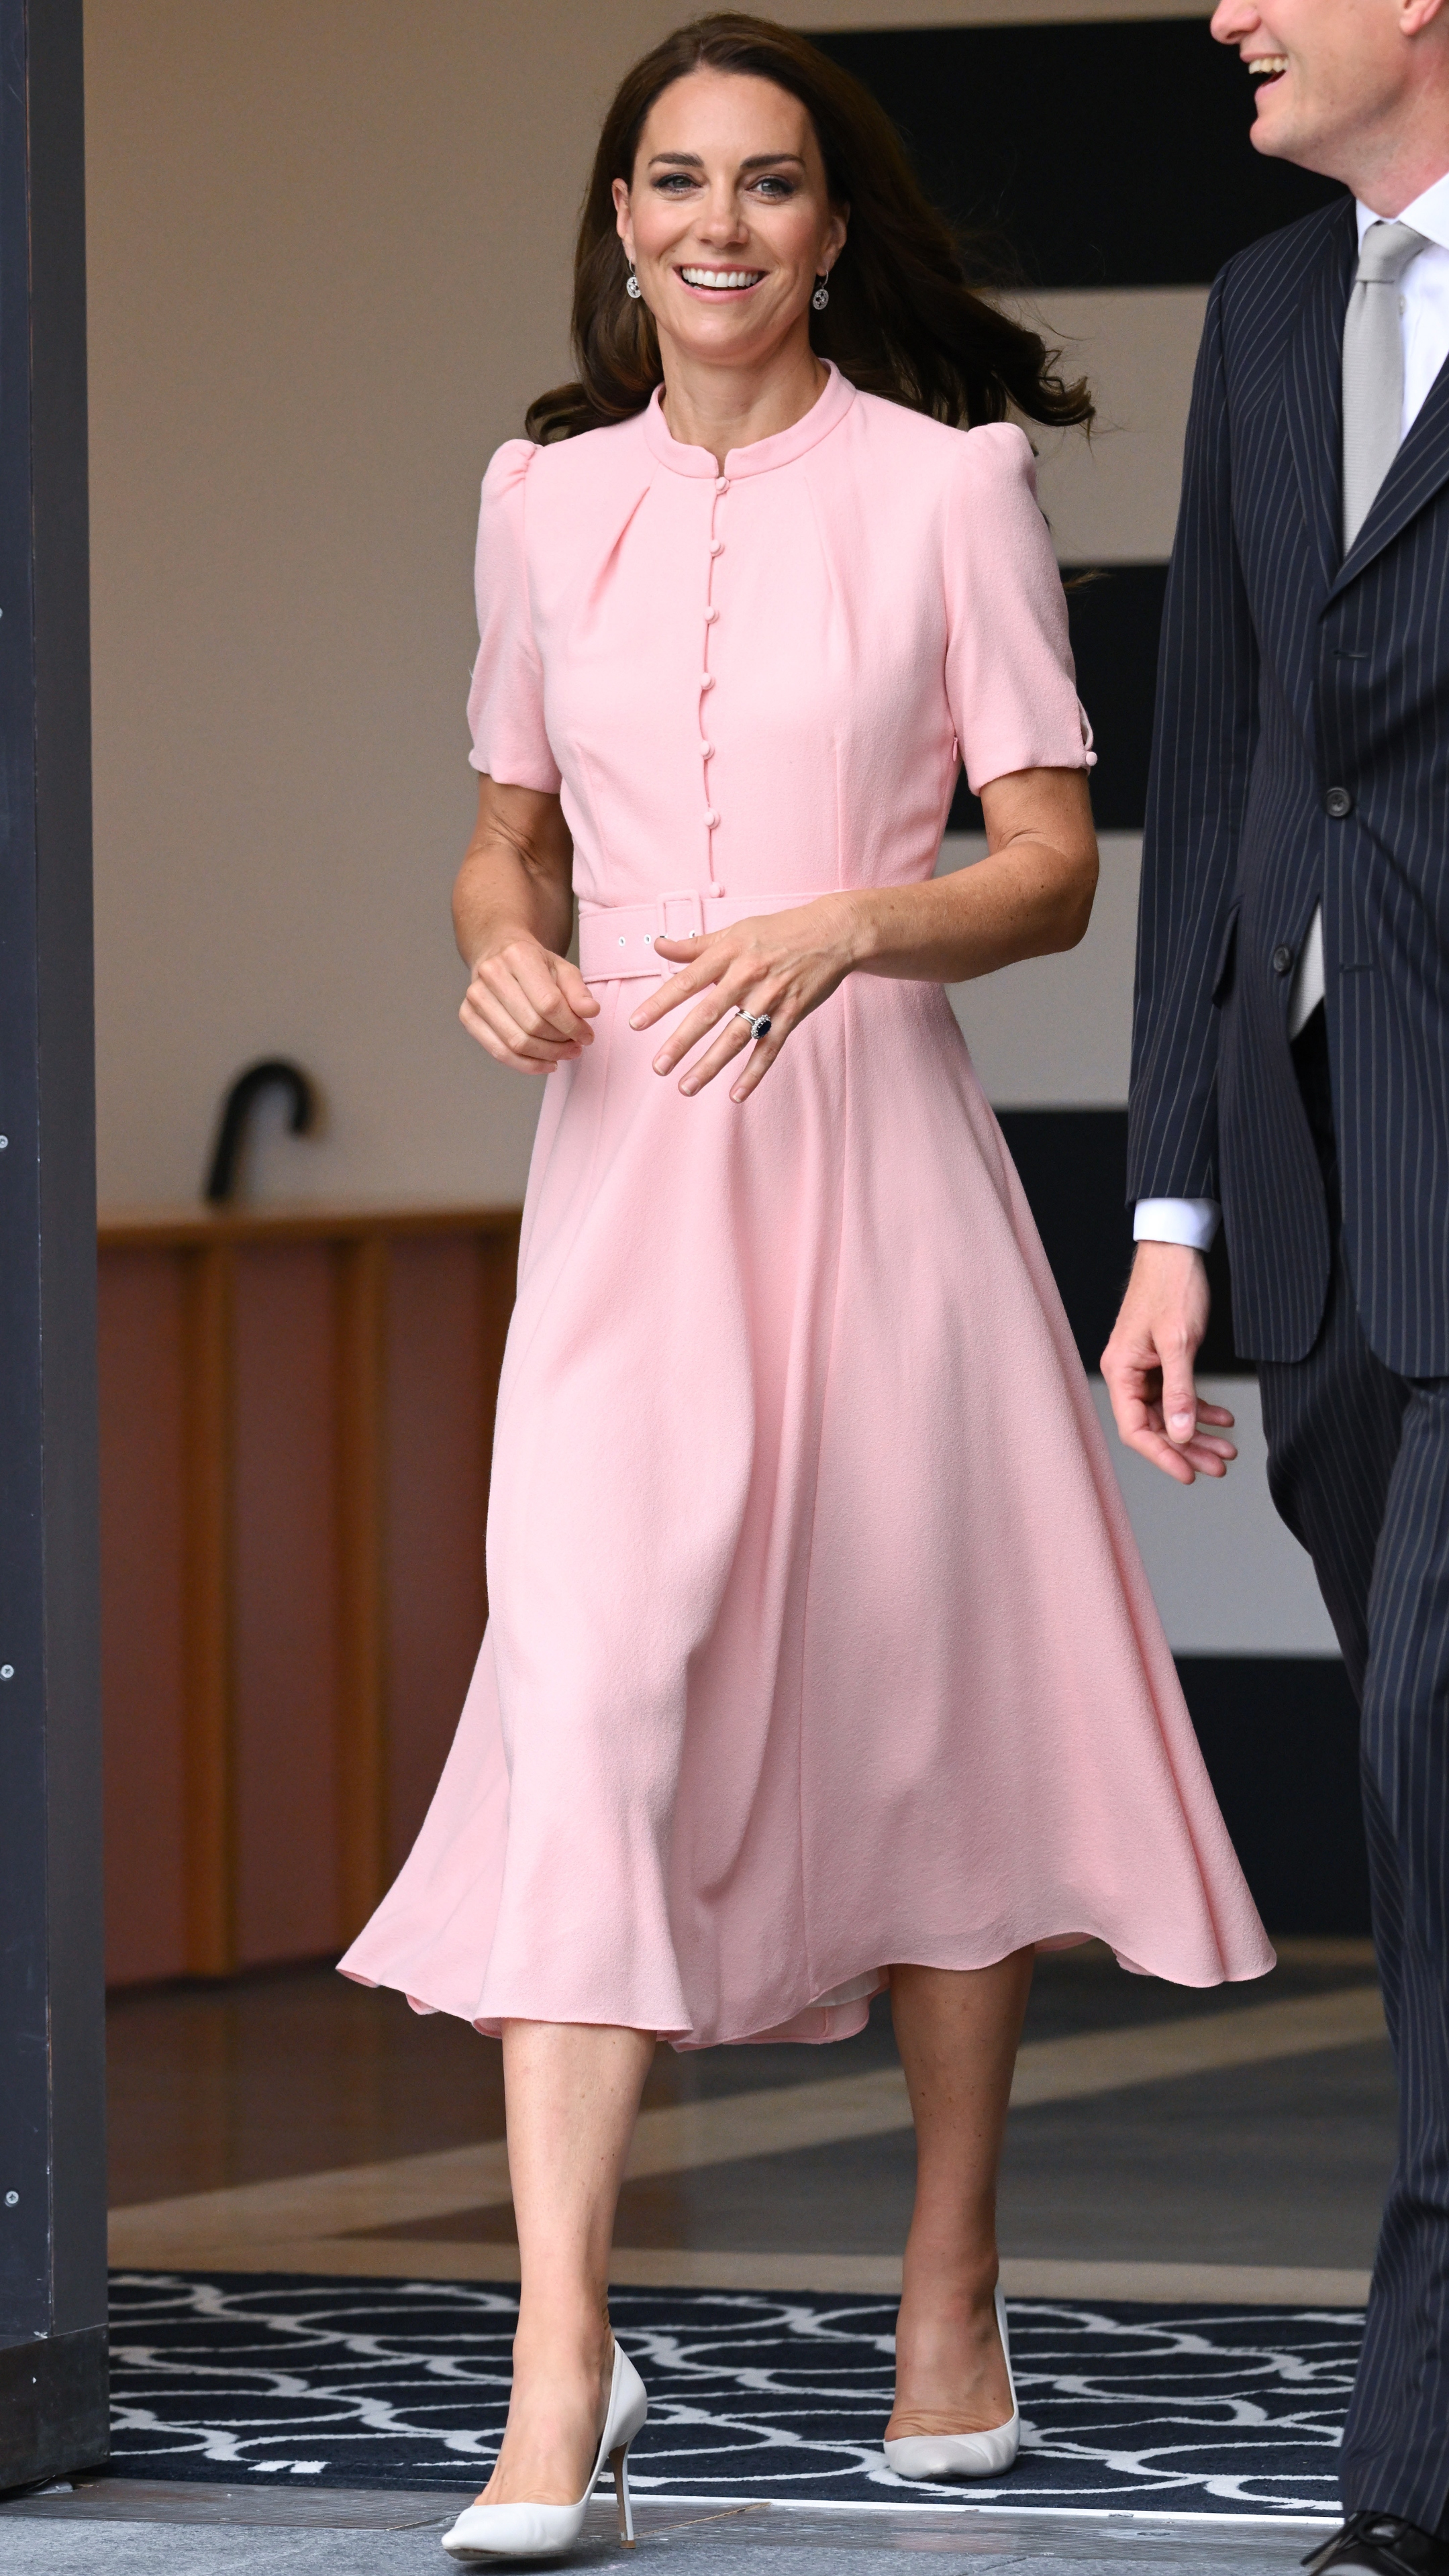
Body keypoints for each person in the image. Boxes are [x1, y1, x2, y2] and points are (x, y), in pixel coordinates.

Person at [342, 13, 1271, 2560]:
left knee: (921, 1710)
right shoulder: (541, 500)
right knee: (587, 1688)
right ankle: (559, 2375)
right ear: (622, 219)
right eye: (676, 182)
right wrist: (502, 951)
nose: (721, 226)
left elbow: (1053, 858)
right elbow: (500, 836)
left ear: (834, 226)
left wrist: (860, 919)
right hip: (632, 1173)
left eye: (769, 184)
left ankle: (946, 2291)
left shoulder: (952, 484)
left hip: (881, 1166)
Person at [1102, 0, 1449, 2559]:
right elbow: (1221, 769)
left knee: (1435, 1778)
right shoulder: (1247, 313)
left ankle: (1411, 2472)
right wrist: (1171, 1212)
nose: (1230, 7)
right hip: (1325, 1216)